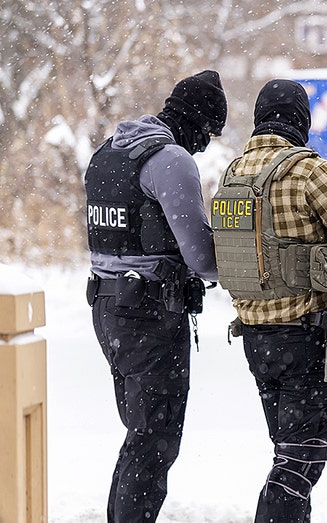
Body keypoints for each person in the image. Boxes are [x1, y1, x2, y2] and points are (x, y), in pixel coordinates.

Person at [212, 79, 327, 523]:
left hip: (256, 341)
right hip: (308, 340)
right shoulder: (309, 172)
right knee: (297, 467)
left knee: (289, 455)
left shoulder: (233, 174)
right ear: (301, 120)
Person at [84, 70, 226, 523]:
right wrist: (249, 266)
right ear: (198, 123)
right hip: (149, 315)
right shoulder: (170, 159)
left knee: (141, 436)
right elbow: (202, 257)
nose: (203, 146)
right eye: (208, 134)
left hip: (107, 308)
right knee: (154, 441)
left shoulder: (108, 152)